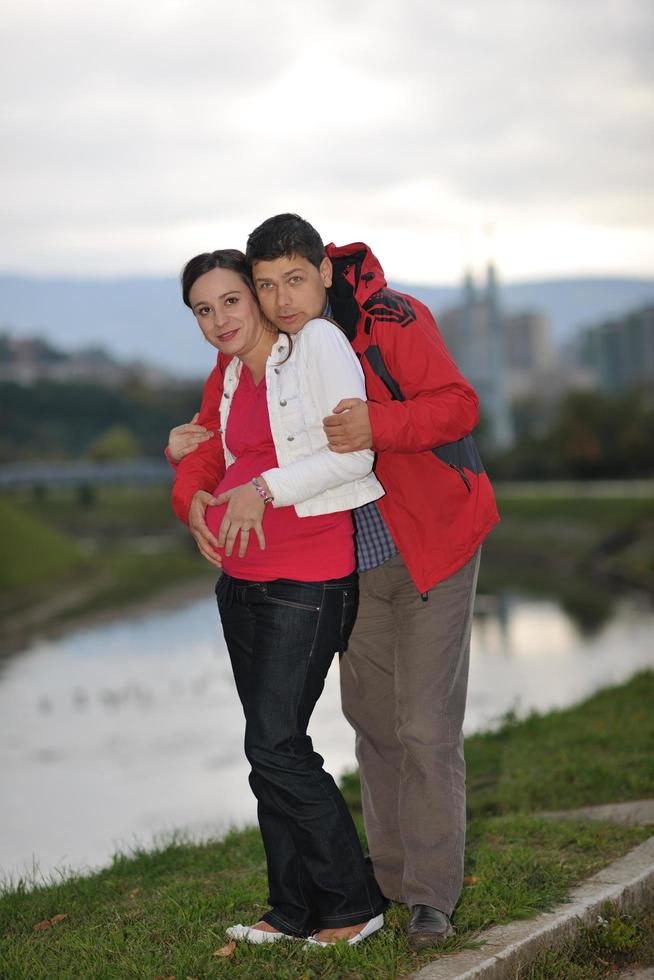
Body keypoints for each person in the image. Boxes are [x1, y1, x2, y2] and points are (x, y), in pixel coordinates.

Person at [171, 217, 500, 949]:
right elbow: (213, 438)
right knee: (374, 727)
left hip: (432, 540)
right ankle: (379, 884)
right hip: (353, 555)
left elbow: (459, 405)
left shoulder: (391, 318)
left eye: (295, 279)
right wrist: (187, 488)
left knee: (424, 727)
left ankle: (431, 898)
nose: (282, 299)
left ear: (324, 269)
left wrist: (376, 426)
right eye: (266, 286)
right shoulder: (262, 349)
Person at [171, 248, 386, 946]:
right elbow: (211, 454)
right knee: (271, 751)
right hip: (242, 581)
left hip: (308, 578)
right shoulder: (231, 374)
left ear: (259, 297)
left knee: (276, 745)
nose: (219, 319)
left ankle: (352, 904)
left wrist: (259, 490)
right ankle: (290, 910)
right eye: (203, 309)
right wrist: (195, 492)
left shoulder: (310, 352)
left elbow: (346, 455)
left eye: (232, 300)